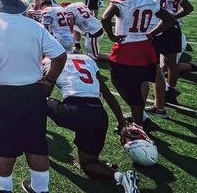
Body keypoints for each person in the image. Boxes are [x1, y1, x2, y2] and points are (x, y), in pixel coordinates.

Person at [0, 0, 66, 193]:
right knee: (36, 142)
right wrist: (49, 81)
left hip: (2, 93)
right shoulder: (34, 26)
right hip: (33, 91)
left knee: (4, 144)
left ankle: (3, 186)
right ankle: (40, 187)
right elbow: (60, 56)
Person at [45, 52, 140, 193]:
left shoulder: (50, 60)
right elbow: (108, 95)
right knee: (89, 163)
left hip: (74, 110)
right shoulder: (87, 59)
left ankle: (35, 143)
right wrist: (121, 122)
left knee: (38, 99)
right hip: (98, 114)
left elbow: (45, 92)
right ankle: (121, 177)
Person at [100, 0, 175, 131]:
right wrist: (152, 33)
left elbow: (105, 18)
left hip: (126, 48)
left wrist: (112, 35)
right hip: (145, 47)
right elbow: (169, 19)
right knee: (140, 82)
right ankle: (139, 119)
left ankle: (138, 119)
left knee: (119, 82)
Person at [155, 0, 194, 104]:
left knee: (155, 64)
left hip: (160, 28)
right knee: (171, 64)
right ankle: (170, 90)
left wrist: (168, 18)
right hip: (174, 28)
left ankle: (166, 91)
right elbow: (189, 8)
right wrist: (174, 17)